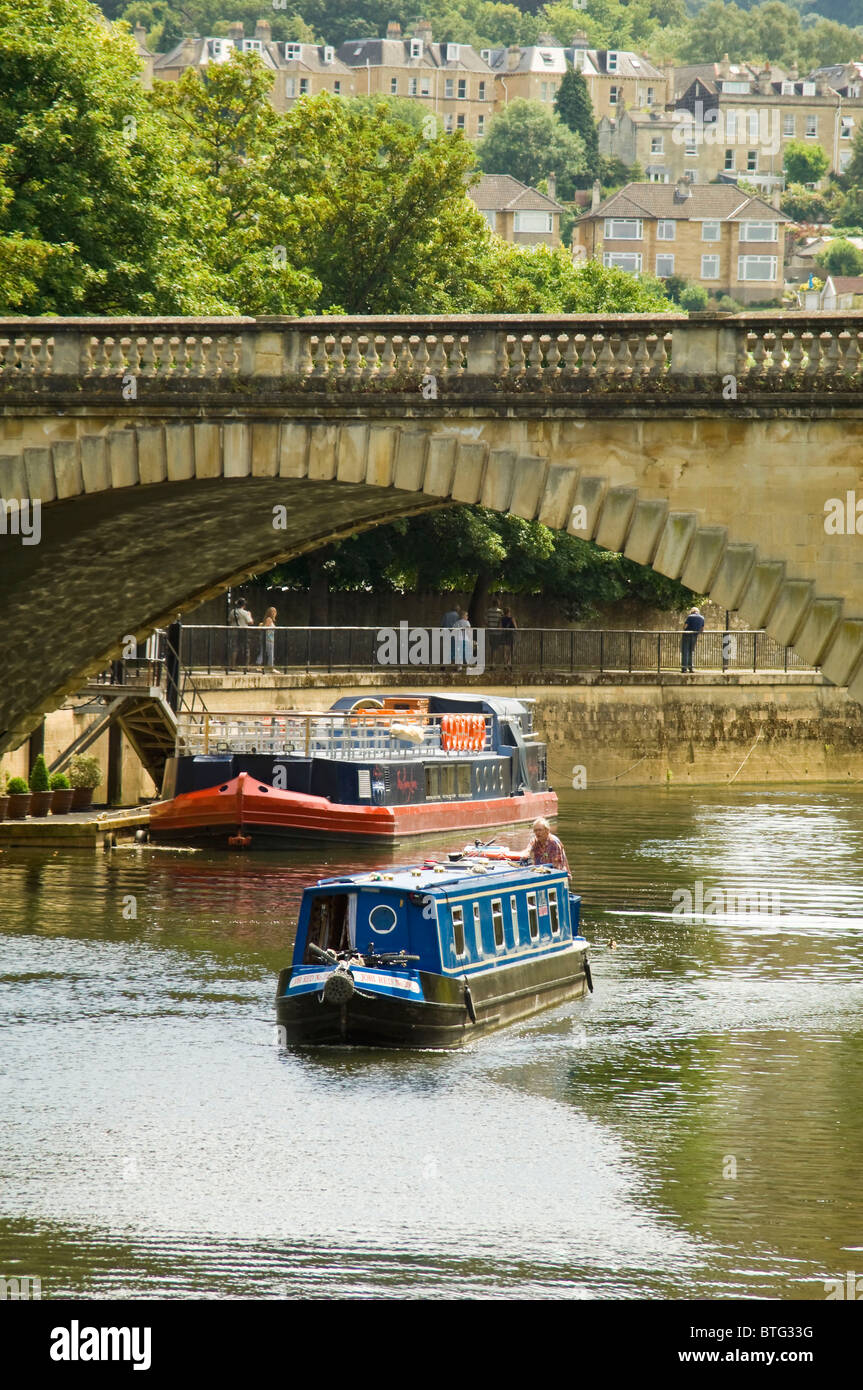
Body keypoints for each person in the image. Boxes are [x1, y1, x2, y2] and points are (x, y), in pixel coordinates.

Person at [228, 597, 254, 667]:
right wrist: (250, 615)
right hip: (243, 631)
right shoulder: (245, 613)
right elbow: (250, 622)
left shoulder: (232, 611)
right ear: (244, 605)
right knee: (246, 649)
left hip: (234, 631)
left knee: (234, 648)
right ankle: (246, 666)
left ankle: (232, 665)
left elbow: (229, 620)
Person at [681, 605, 705, 673]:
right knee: (691, 651)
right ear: (698, 611)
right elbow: (702, 629)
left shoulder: (690, 617)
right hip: (695, 636)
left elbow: (685, 626)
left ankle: (684, 668)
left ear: (692, 611)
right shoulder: (702, 618)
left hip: (687, 635)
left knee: (685, 651)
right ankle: (691, 668)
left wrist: (684, 629)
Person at [486, 595, 503, 666]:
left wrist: (489, 626)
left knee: (492, 647)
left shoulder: (488, 611)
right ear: (498, 604)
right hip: (497, 632)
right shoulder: (500, 612)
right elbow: (501, 621)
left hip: (491, 631)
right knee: (495, 648)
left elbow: (486, 621)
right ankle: (493, 663)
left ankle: (492, 663)